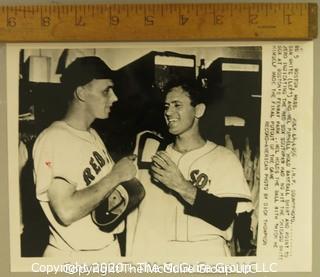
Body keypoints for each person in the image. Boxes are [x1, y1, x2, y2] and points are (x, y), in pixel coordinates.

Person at [127, 80, 252, 258]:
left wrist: (180, 185)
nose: (169, 112)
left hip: (206, 254)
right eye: (166, 106)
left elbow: (224, 217)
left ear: (198, 110)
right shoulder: (151, 154)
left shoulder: (224, 158)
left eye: (177, 105)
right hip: (159, 254)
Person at [32, 56, 137, 258]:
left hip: (105, 251)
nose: (114, 98)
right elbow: (67, 211)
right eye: (106, 90)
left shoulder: (91, 133)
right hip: (74, 258)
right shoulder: (55, 138)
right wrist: (116, 176)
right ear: (81, 93)